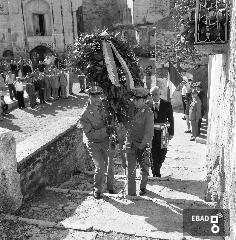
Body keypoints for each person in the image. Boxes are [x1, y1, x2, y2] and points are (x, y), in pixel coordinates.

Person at [80, 86, 115, 199]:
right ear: (89, 96)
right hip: (94, 144)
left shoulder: (104, 106)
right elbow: (90, 134)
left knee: (110, 165)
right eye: (94, 96)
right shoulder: (85, 114)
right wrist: (106, 130)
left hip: (106, 141)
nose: (97, 98)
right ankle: (97, 190)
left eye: (98, 95)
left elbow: (108, 119)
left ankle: (111, 187)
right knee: (100, 167)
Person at [124, 87, 154, 196]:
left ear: (143, 100)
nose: (135, 101)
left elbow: (149, 132)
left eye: (137, 99)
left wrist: (142, 146)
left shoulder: (148, 112)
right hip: (131, 143)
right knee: (130, 168)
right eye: (134, 99)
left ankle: (143, 187)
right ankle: (131, 192)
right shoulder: (130, 108)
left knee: (144, 168)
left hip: (143, 144)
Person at [147, 86, 174, 178]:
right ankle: (156, 172)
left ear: (160, 94)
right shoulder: (147, 104)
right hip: (152, 133)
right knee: (153, 152)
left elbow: (171, 119)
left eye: (156, 94)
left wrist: (171, 133)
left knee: (162, 153)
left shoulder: (166, 104)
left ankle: (157, 167)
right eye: (152, 94)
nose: (154, 96)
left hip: (164, 132)